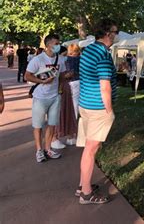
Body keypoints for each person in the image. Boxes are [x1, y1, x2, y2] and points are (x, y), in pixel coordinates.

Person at [77, 18, 119, 204]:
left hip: (85, 105)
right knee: (91, 150)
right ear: (108, 34)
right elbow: (105, 87)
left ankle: (82, 185)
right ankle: (86, 194)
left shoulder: (88, 50)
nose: (117, 35)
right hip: (98, 109)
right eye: (115, 32)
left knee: (89, 148)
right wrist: (109, 110)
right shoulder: (102, 54)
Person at [25, 34, 66, 163]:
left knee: (52, 124)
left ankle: (48, 149)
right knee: (38, 125)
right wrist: (41, 81)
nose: (58, 45)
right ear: (48, 45)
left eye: (59, 43)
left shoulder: (60, 59)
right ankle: (39, 150)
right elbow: (27, 76)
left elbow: (62, 76)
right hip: (40, 97)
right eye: (56, 43)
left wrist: (60, 89)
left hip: (55, 97)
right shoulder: (38, 59)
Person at [58, 44, 81, 146]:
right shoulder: (80, 59)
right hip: (78, 83)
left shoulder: (65, 59)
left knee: (70, 108)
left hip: (68, 84)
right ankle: (74, 134)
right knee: (75, 108)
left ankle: (71, 134)